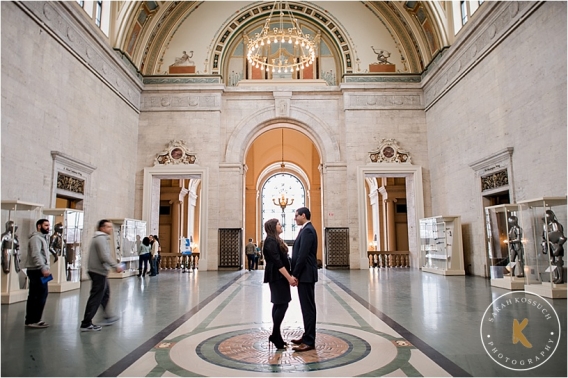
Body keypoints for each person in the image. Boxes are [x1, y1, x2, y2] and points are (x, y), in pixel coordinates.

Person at [80, 220, 123, 331]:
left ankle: (107, 316)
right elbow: (104, 256)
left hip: (100, 271)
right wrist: (115, 266)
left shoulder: (102, 238)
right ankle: (86, 323)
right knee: (96, 297)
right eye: (108, 227)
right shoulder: (100, 239)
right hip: (97, 272)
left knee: (105, 294)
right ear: (102, 228)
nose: (111, 229)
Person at [263, 218, 297, 349]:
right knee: (282, 304)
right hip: (277, 276)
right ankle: (275, 335)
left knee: (279, 304)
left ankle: (276, 336)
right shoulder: (270, 241)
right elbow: (278, 262)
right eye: (278, 224)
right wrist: (289, 278)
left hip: (279, 276)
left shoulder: (275, 240)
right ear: (273, 227)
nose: (280, 225)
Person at [290, 207, 318, 352]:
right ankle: (307, 335)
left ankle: (309, 341)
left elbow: (302, 255)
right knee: (306, 307)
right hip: (305, 274)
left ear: (303, 215)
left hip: (306, 275)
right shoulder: (305, 229)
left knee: (308, 308)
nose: (295, 218)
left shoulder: (307, 230)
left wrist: (295, 274)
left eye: (296, 216)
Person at [24, 219, 51, 328]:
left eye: (48, 225)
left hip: (39, 269)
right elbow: (36, 254)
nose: (48, 227)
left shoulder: (42, 238)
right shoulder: (35, 239)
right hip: (36, 270)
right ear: (39, 226)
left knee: (40, 294)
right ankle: (32, 320)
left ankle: (35, 318)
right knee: (36, 295)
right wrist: (43, 268)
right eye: (46, 225)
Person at [542, 210, 566, 284]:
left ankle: (560, 278)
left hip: (556, 244)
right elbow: (544, 236)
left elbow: (562, 237)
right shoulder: (545, 225)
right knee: (552, 261)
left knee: (558, 262)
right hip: (549, 244)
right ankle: (555, 276)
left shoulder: (557, 225)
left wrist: (558, 246)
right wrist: (544, 244)